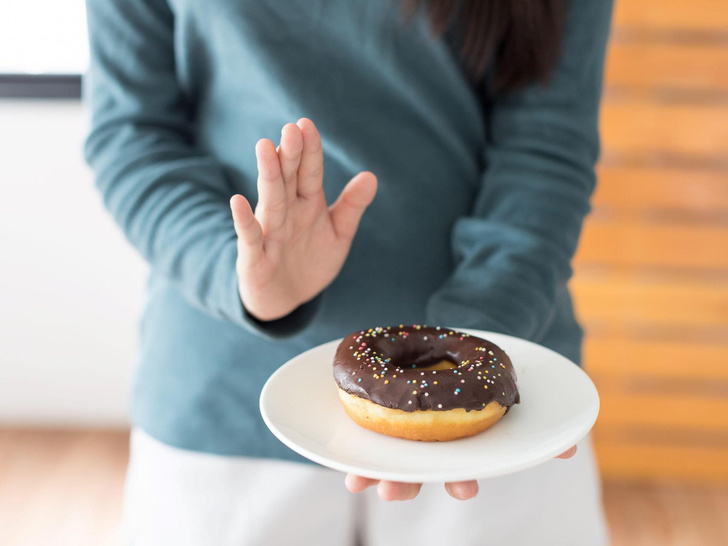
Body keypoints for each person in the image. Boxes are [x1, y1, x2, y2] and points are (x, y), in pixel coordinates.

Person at [84, 0, 613, 544]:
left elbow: (544, 148)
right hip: (227, 400)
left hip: (502, 403)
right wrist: (240, 275)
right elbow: (133, 132)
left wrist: (485, 323)